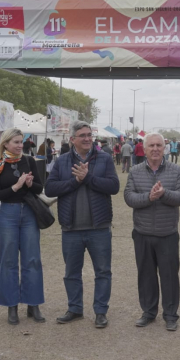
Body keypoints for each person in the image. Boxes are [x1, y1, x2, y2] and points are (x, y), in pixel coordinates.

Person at [45, 120, 120, 329]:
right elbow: (50, 189)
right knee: (71, 273)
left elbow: (114, 186)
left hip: (99, 228)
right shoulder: (61, 162)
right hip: (71, 229)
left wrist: (87, 178)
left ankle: (100, 311)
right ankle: (75, 309)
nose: (87, 139)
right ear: (72, 139)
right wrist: (74, 182)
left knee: (103, 272)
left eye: (89, 135)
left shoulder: (104, 159)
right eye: (83, 136)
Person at [124, 133, 180, 331]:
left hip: (167, 232)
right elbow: (128, 197)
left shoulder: (176, 170)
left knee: (169, 276)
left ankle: (170, 315)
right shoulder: (135, 171)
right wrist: (149, 197)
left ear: (164, 148)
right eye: (151, 145)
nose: (155, 149)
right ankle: (148, 312)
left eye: (159, 145)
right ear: (144, 148)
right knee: (146, 275)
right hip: (142, 233)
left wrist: (164, 194)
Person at [0, 128, 46, 325]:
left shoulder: (29, 161)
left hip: (29, 212)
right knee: (8, 260)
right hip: (8, 214)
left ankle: (33, 304)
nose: (20, 146)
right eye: (16, 142)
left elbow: (39, 188)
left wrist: (28, 184)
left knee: (32, 259)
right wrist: (16, 186)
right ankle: (11, 306)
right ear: (6, 144)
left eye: (21, 142)